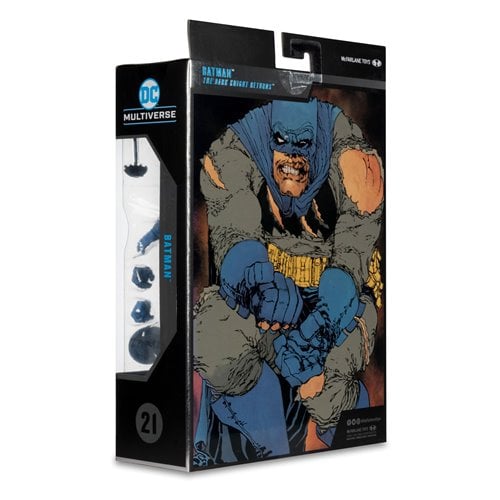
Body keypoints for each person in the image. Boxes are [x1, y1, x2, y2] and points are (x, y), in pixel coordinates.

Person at [193, 98, 383, 465]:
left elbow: (352, 255)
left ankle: (339, 419)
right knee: (213, 332)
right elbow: (234, 227)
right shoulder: (234, 150)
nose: (293, 156)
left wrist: (323, 324)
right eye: (283, 142)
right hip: (267, 297)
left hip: (340, 306)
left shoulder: (356, 164)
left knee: (320, 380)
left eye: (304, 144)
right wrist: (255, 283)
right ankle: (272, 451)